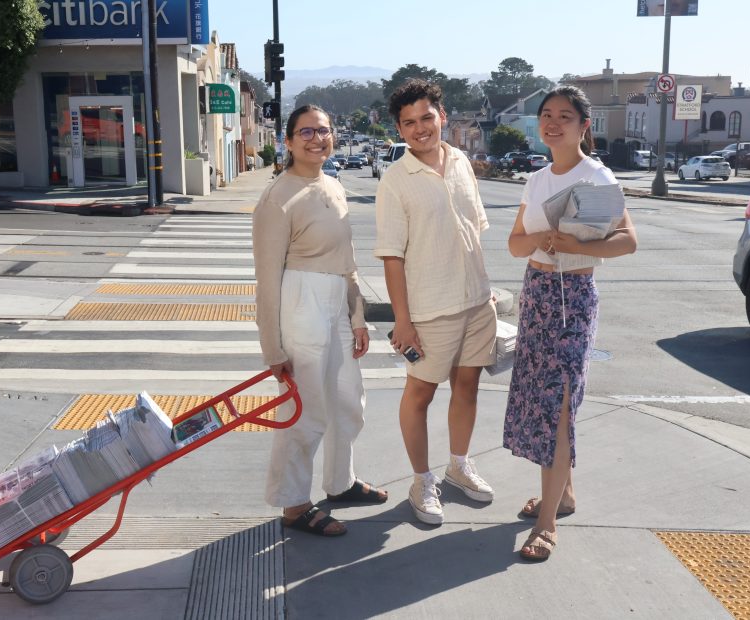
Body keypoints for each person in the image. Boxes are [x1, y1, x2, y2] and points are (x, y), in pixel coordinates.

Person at [503, 86, 637, 561]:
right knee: (544, 400)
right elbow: (516, 244)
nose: (552, 122)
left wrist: (581, 247)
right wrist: (545, 236)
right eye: (546, 115)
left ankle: (547, 523)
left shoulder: (596, 177)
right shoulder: (536, 180)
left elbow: (627, 241)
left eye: (564, 115)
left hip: (574, 299)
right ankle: (565, 493)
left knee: (558, 405)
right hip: (537, 294)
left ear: (585, 125)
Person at [253, 104, 388, 538]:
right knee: (305, 412)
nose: (317, 139)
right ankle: (294, 505)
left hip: (336, 303)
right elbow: (267, 280)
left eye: (324, 131)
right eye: (306, 132)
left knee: (348, 400)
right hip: (301, 301)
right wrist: (272, 349)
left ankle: (340, 483)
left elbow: (346, 261)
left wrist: (358, 316)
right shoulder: (278, 197)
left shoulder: (333, 185)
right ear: (289, 141)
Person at [374, 79, 497, 526]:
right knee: (420, 394)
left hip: (476, 302)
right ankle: (422, 480)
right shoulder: (395, 180)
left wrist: (487, 291)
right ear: (400, 129)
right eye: (409, 123)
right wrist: (402, 322)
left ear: (442, 116)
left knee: (468, 387)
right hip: (429, 310)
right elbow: (392, 256)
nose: (420, 128)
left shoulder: (462, 161)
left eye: (427, 117)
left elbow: (474, 229)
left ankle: (459, 466)